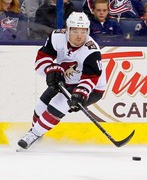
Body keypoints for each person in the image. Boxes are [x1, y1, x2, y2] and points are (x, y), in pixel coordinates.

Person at [17, 12, 106, 149]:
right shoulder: (57, 37)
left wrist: (80, 94)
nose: (79, 35)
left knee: (57, 105)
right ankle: (37, 133)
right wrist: (51, 69)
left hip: (91, 87)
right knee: (41, 106)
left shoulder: (91, 51)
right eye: (75, 31)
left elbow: (91, 78)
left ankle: (33, 135)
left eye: (83, 31)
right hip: (67, 79)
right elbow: (41, 59)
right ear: (67, 30)